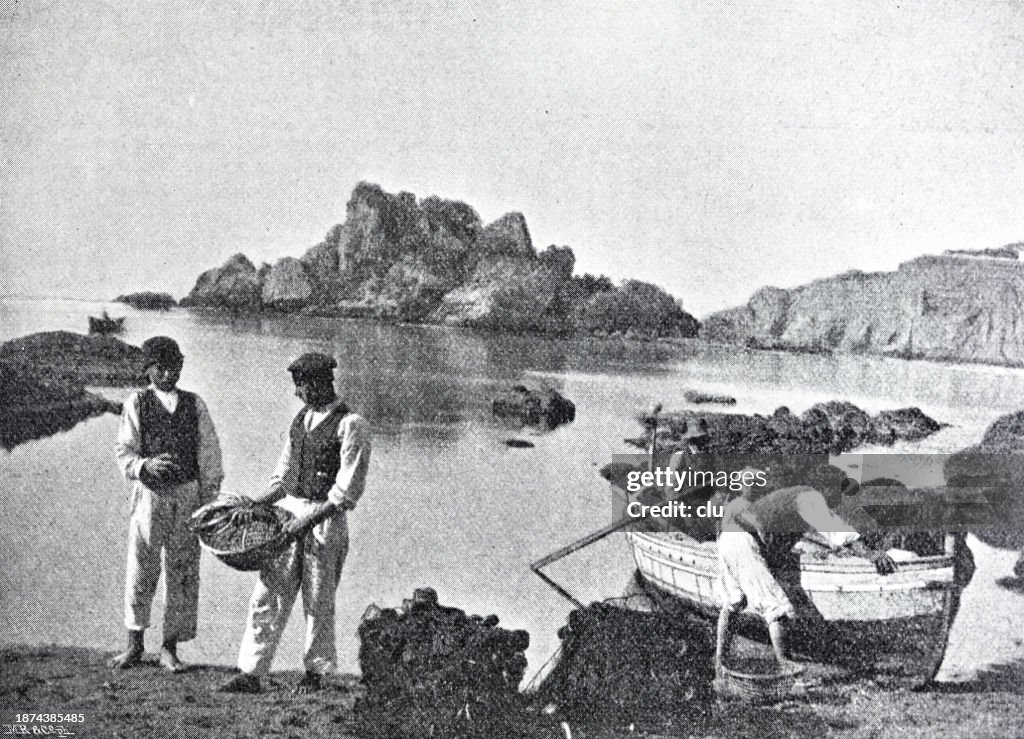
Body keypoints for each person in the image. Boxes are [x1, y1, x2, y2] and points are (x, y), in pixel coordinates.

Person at [219, 352, 371, 694]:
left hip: (325, 521)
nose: (296, 393)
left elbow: (346, 492)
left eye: (299, 386)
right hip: (288, 515)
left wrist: (307, 521)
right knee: (268, 593)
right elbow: (284, 478)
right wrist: (255, 503)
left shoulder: (352, 425)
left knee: (318, 601)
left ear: (318, 383)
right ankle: (251, 671)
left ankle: (317, 674)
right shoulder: (300, 420)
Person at [714, 466, 897, 676]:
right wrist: (872, 555)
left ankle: (720, 661)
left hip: (729, 540)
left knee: (735, 602)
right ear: (825, 488)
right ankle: (786, 667)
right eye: (839, 490)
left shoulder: (795, 496)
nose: (840, 497)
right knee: (777, 608)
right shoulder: (810, 497)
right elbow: (837, 531)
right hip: (745, 543)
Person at [111, 336, 223, 671]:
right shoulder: (137, 403)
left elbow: (210, 455)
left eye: (176, 366)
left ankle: (169, 647)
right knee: (141, 566)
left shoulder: (194, 404)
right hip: (151, 496)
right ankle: (134, 644)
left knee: (184, 569)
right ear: (148, 370)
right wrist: (144, 466)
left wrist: (208, 502)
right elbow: (124, 451)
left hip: (187, 495)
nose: (170, 373)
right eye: (162, 367)